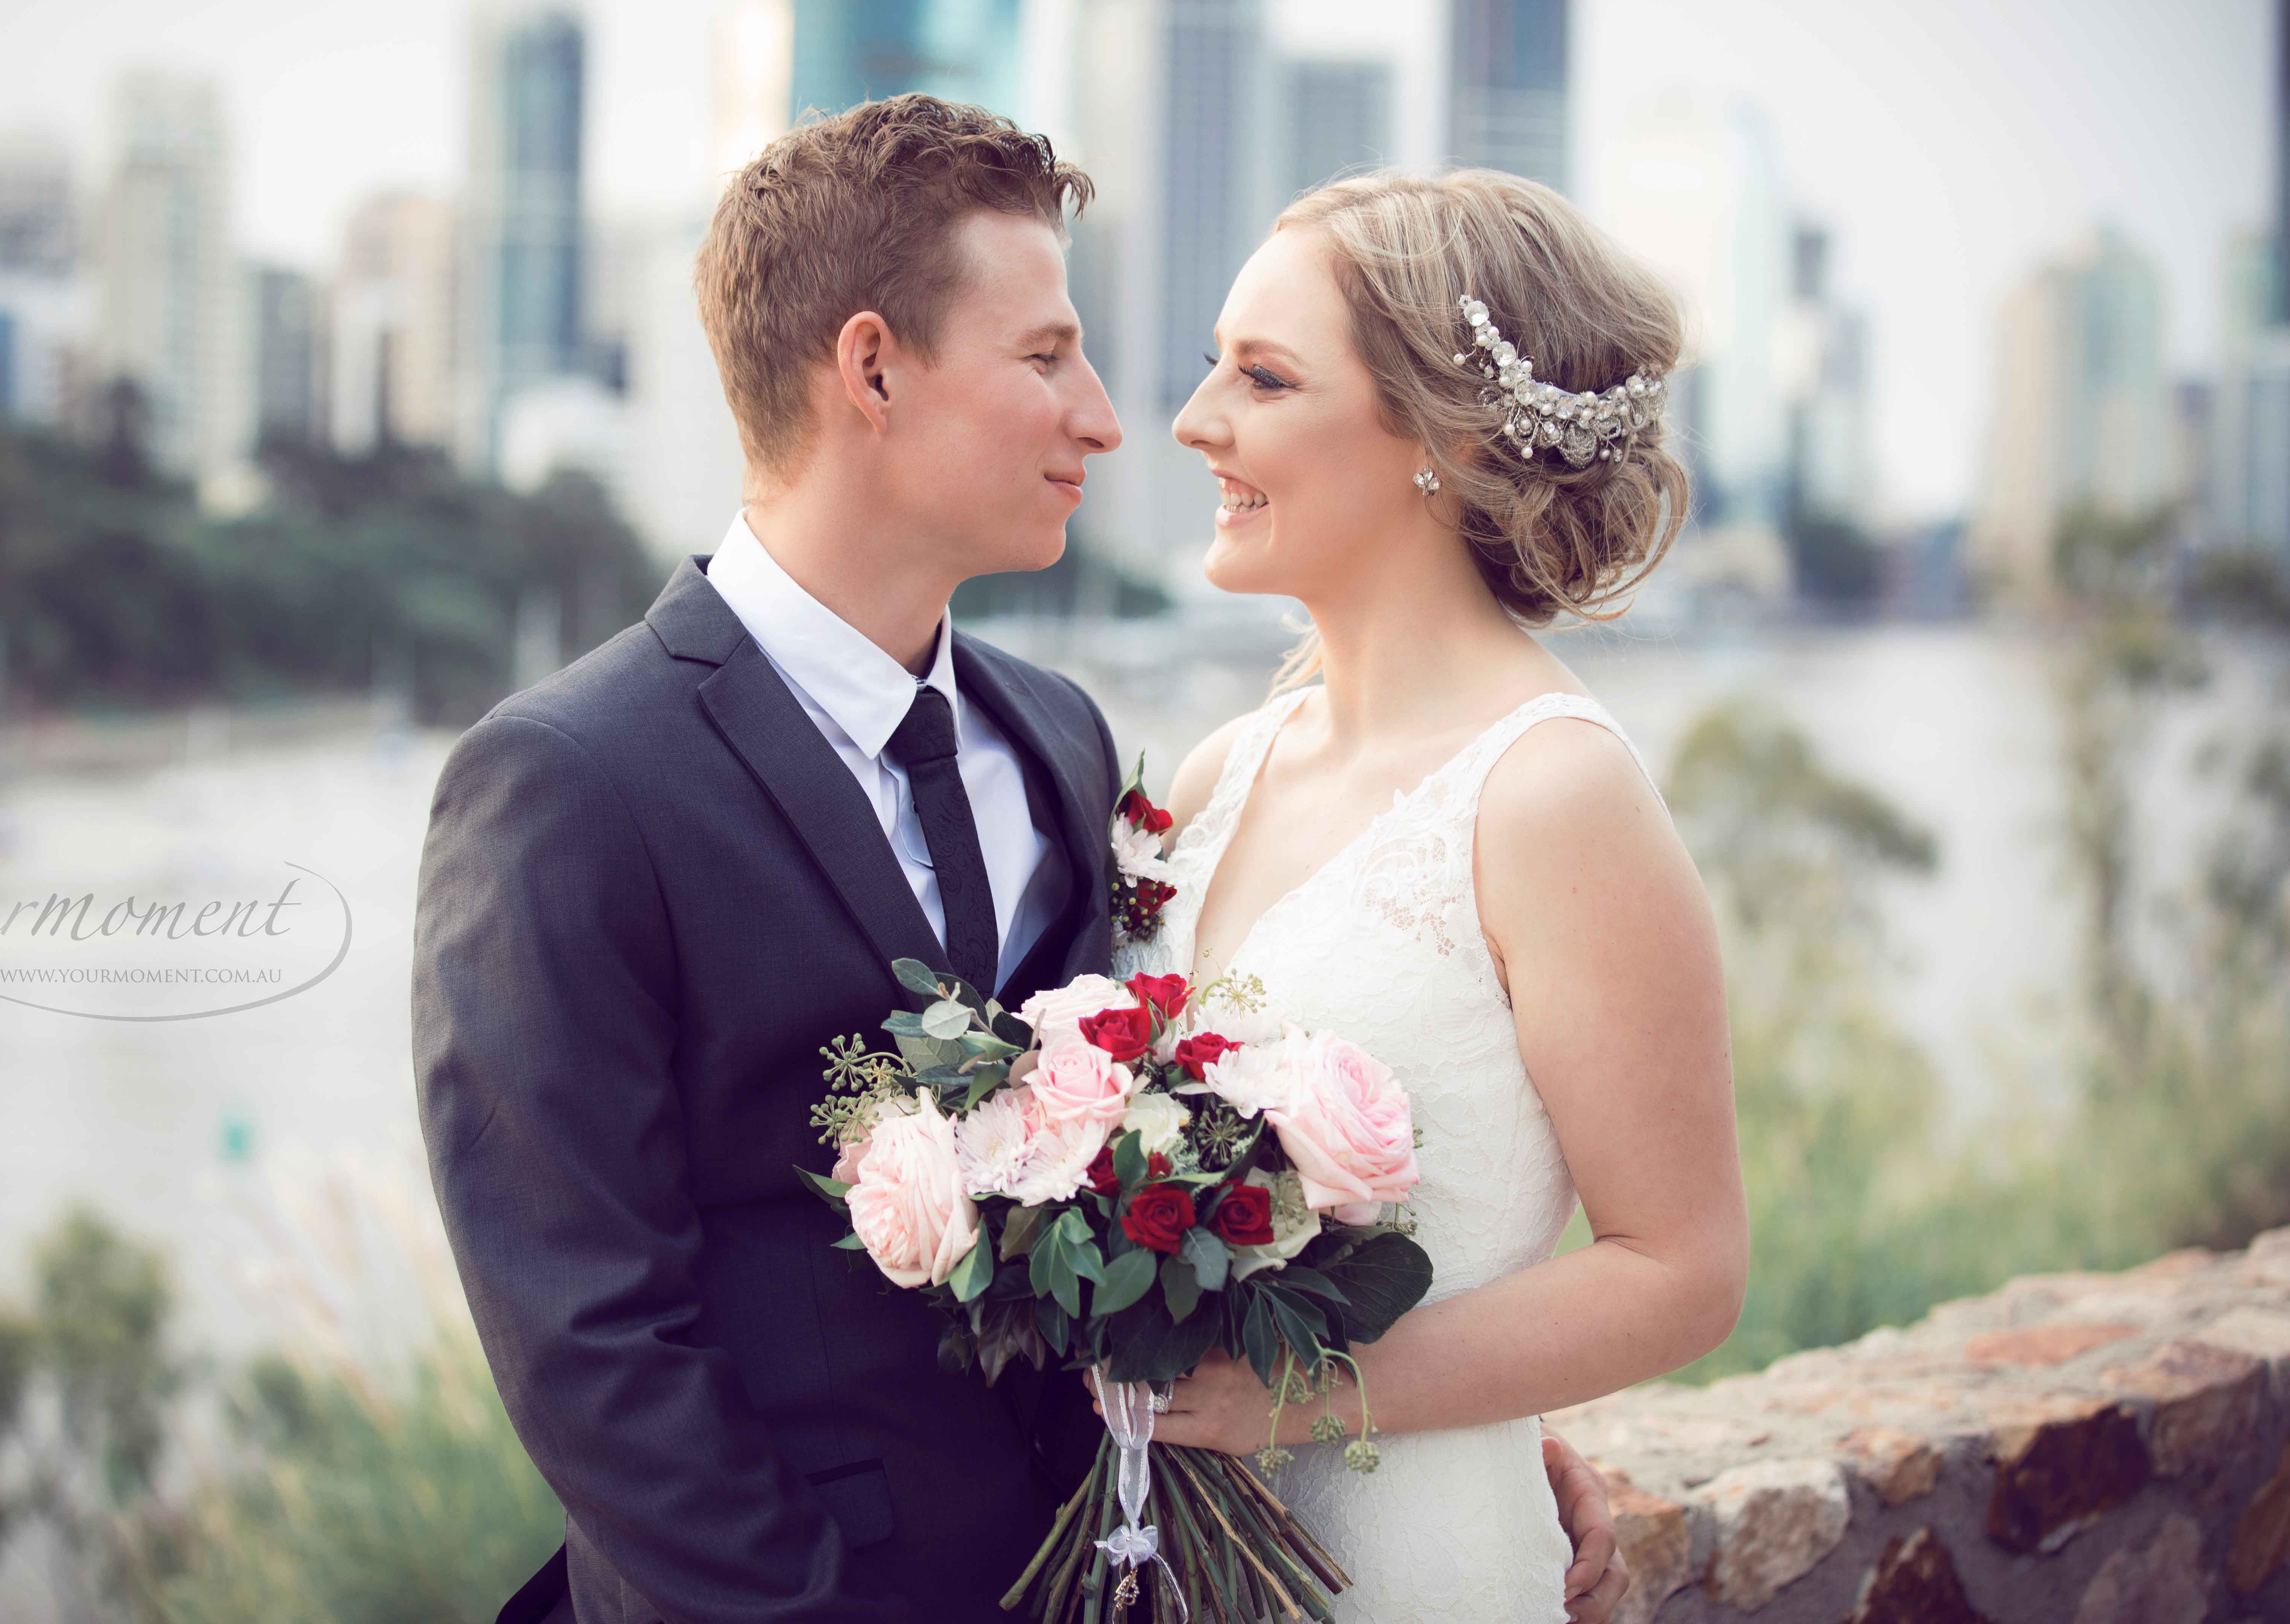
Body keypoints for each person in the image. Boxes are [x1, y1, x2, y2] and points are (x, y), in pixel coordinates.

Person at [413, 97, 1633, 1624]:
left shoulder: (1058, 742)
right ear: (873, 369)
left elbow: (1151, 1175)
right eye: (1047, 356)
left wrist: (1424, 1405)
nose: (1111, 417)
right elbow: (588, 1338)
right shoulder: (569, 782)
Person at [1110, 170, 1748, 1621]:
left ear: (1442, 441)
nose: (1198, 419)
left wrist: (1311, 1395)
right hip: (1156, 1554)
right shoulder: (1220, 770)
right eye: (1216, 365)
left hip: (1411, 1566)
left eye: (1263, 378)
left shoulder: (1554, 793)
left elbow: (1683, 1269)